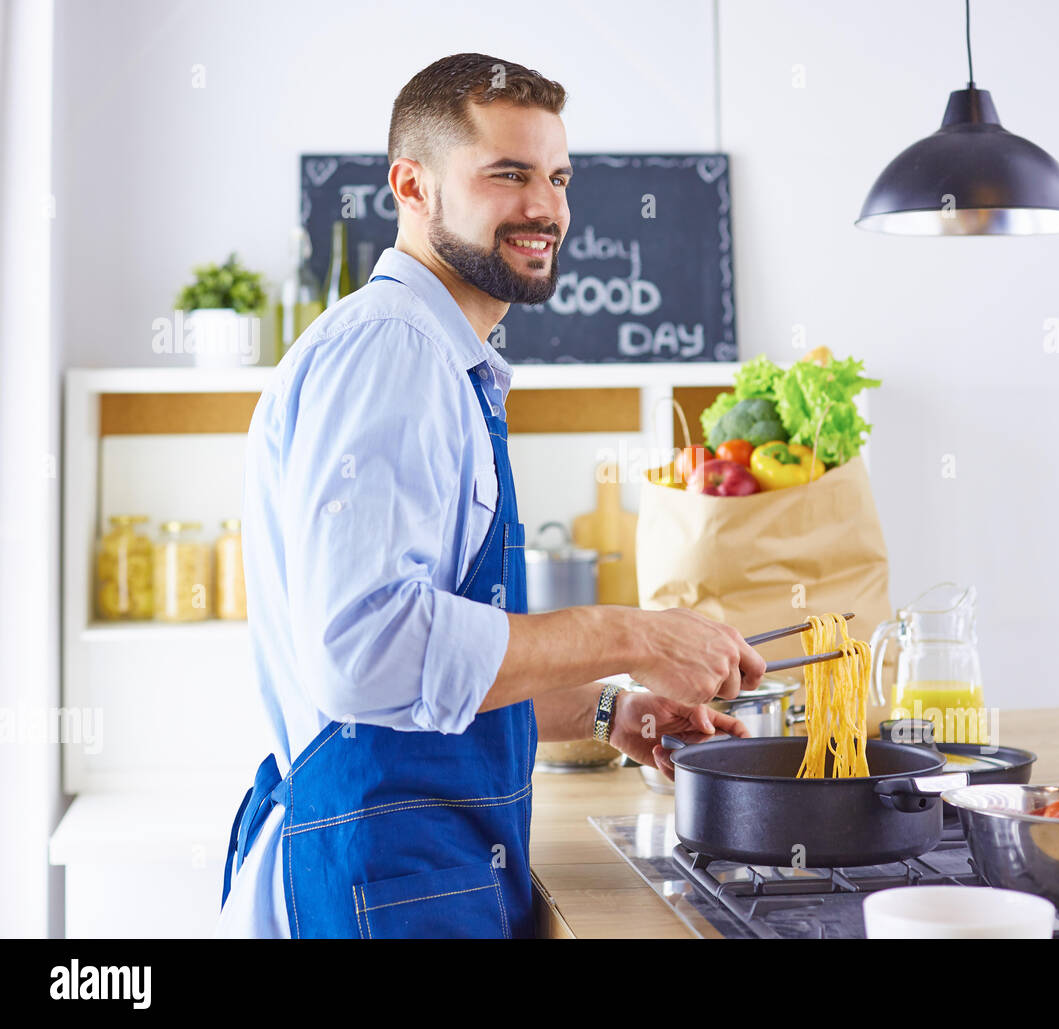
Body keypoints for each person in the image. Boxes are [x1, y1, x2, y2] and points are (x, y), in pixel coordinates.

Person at [216, 52, 764, 939]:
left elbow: (433, 672)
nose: (545, 207)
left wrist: (607, 709)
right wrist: (637, 632)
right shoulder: (394, 351)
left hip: (419, 869)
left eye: (557, 177)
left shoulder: (444, 360)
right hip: (383, 879)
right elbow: (366, 651)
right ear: (412, 185)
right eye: (507, 174)